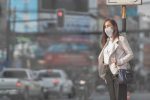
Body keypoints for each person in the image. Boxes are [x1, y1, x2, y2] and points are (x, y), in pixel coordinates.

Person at [98, 19, 134, 100]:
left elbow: (131, 54)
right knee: (112, 98)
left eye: (108, 26)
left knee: (120, 97)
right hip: (108, 72)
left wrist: (119, 61)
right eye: (105, 26)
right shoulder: (107, 41)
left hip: (119, 72)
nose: (106, 28)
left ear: (114, 27)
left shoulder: (121, 39)